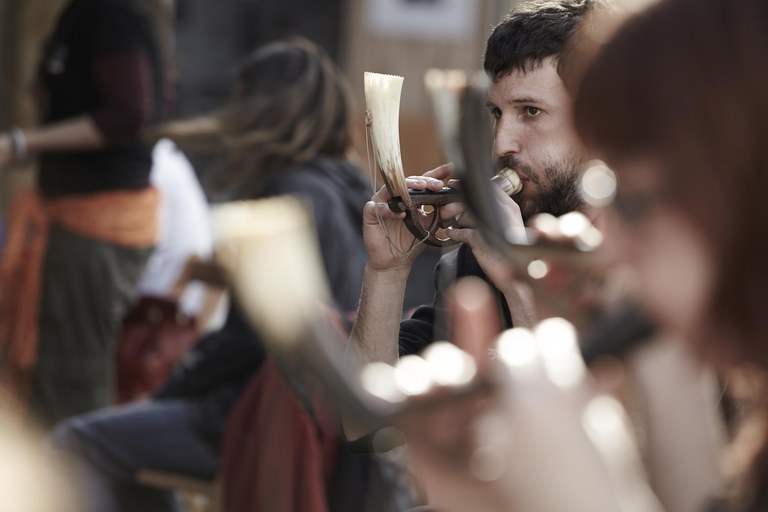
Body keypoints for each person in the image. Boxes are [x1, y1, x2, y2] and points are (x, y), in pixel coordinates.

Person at [388, 0, 768, 509]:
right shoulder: (669, 326)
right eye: (497, 114)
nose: (501, 144)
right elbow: (697, 495)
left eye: (632, 201)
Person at [46, 37, 403, 512]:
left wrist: (169, 391)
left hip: (255, 414)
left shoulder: (289, 195)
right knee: (118, 450)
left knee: (72, 442)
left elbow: (249, 340)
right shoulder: (350, 190)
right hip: (322, 417)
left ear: (261, 108)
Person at [346, 0, 599, 423]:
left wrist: (518, 279)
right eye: (497, 113)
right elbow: (366, 426)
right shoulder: (477, 258)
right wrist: (387, 271)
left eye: (531, 112)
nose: (501, 144)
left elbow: (593, 435)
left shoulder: (637, 261)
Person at [0, 0, 172, 426]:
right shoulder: (78, 14)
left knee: (71, 384)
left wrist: (22, 144)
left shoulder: (110, 14)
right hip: (70, 217)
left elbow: (128, 115)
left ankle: (73, 471)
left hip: (97, 223)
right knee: (49, 379)